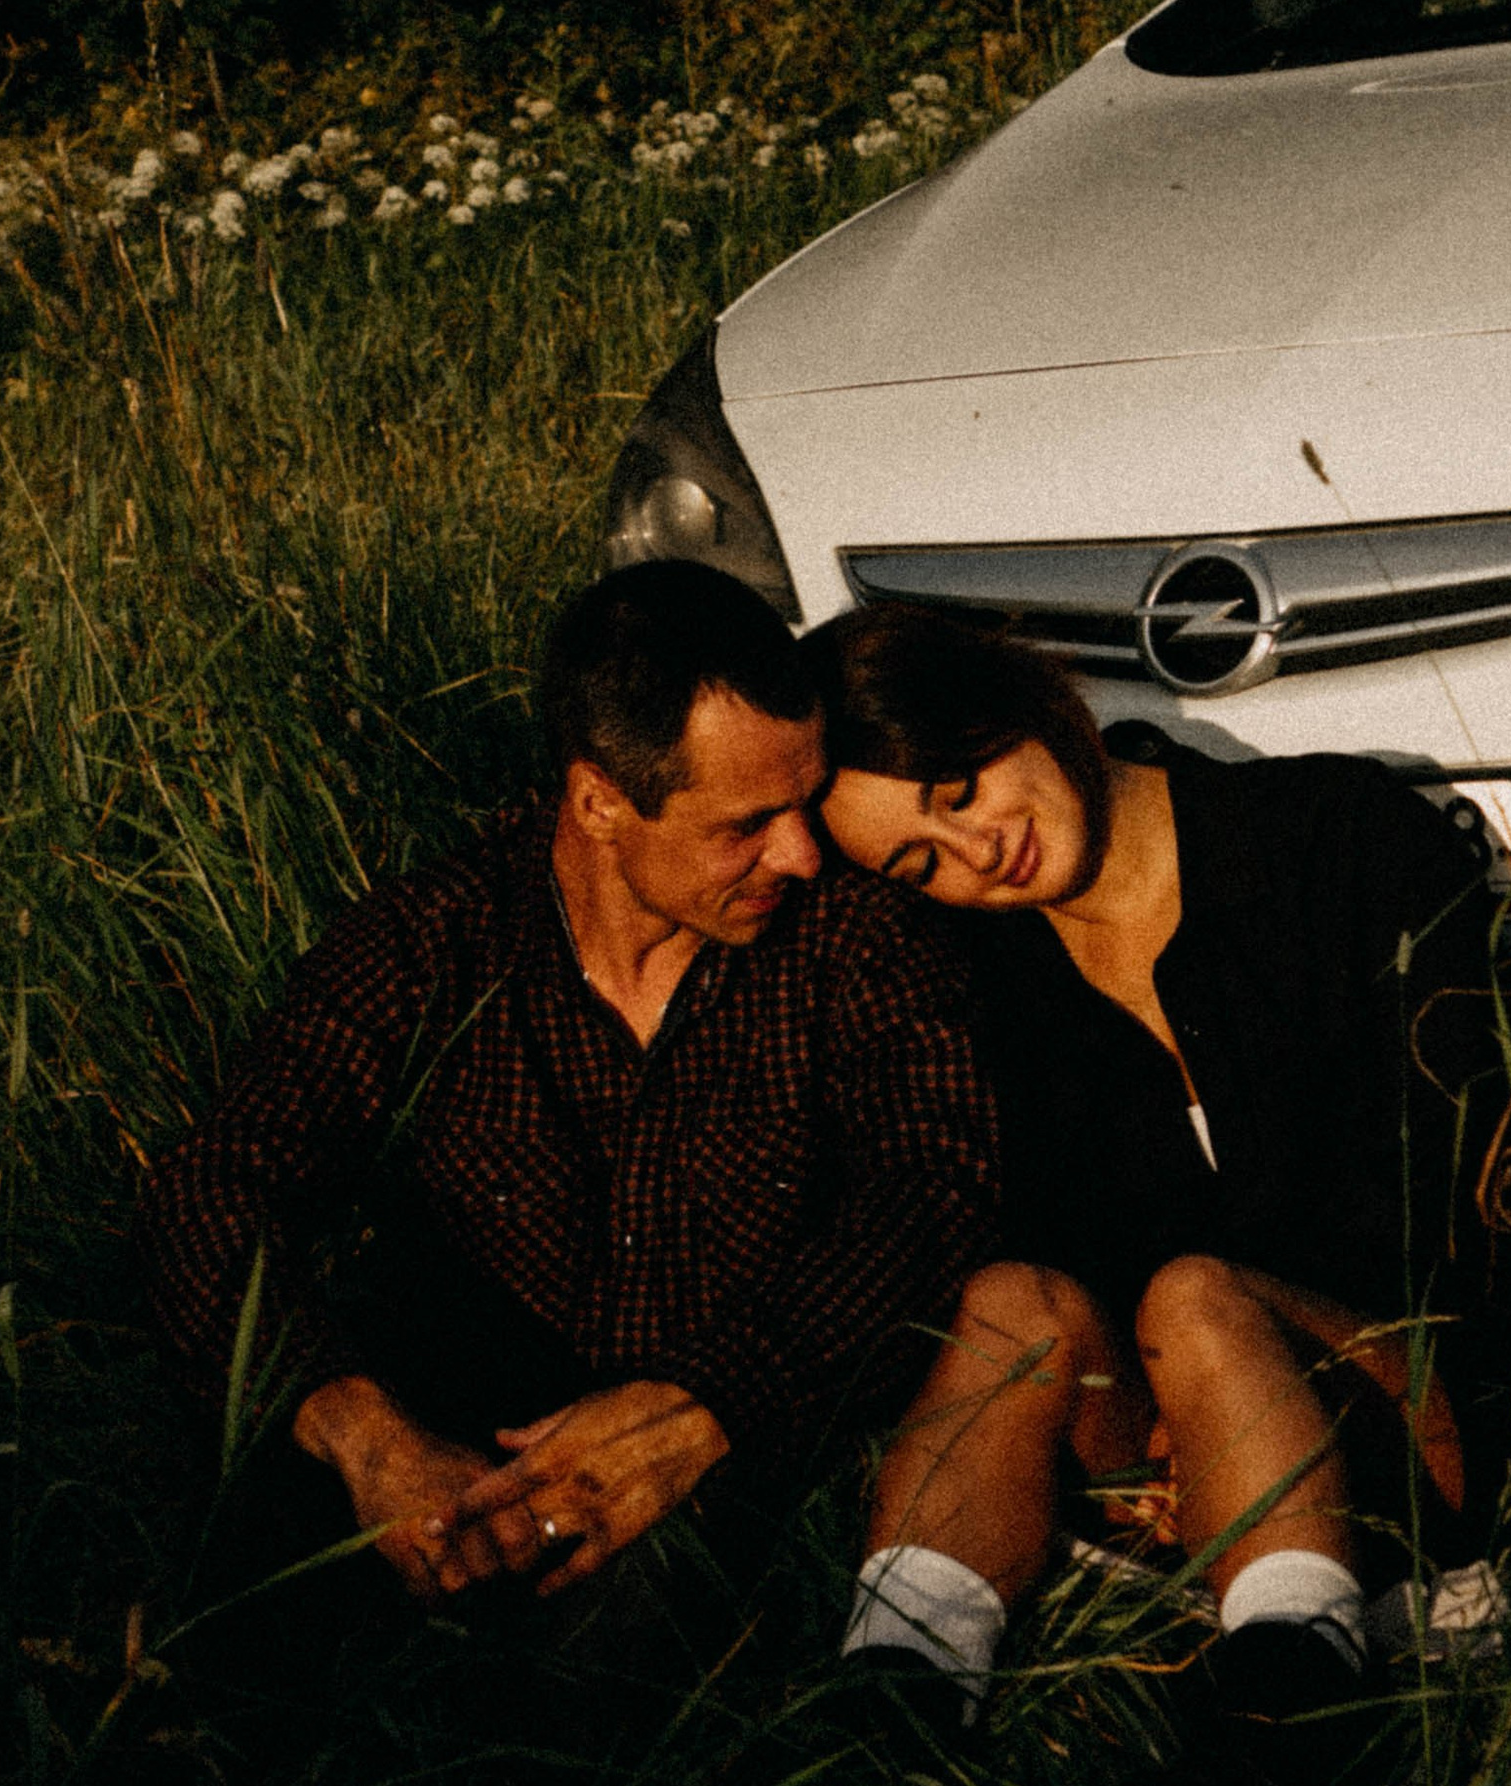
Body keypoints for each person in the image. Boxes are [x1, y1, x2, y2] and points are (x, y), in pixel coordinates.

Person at [135, 565, 1000, 1620]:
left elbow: (933, 1192)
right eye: (746, 822)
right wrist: (366, 1436)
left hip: (734, 1467)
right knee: (227, 1519)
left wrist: (708, 1406)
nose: (802, 853)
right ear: (598, 800)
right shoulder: (439, 938)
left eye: (805, 801)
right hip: (456, 1450)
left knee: (625, 1630)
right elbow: (213, 1185)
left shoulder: (856, 942)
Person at [803, 604, 1511, 1730]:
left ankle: (1288, 1710)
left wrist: (1217, 1360)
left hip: (1417, 1408)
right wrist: (1177, 1412)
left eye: (959, 789)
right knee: (1010, 1306)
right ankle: (891, 1709)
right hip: (1176, 1460)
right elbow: (1039, 1238)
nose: (976, 852)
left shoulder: (1337, 836)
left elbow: (1460, 1191)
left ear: (1022, 700)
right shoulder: (988, 979)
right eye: (919, 861)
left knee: (1196, 1298)